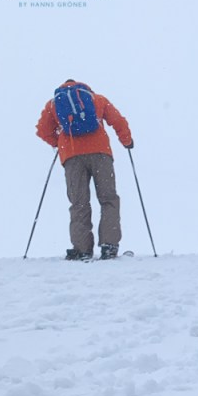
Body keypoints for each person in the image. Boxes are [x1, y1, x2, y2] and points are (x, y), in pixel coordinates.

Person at [35, 79, 133, 261]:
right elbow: (118, 121)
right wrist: (127, 141)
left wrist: (60, 143)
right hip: (101, 154)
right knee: (108, 198)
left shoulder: (53, 104)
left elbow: (42, 130)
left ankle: (82, 249)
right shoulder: (98, 99)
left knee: (79, 203)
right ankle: (109, 246)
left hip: (72, 157)